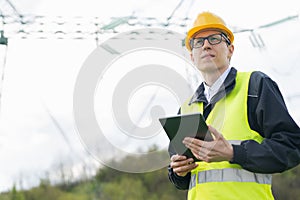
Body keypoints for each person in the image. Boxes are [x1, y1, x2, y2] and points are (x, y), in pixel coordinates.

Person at [167, 11, 300, 200]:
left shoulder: (255, 86)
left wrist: (234, 153)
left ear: (230, 50)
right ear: (192, 56)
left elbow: (292, 146)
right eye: (198, 42)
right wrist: (177, 172)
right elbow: (182, 178)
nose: (205, 45)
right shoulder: (186, 108)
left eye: (214, 39)